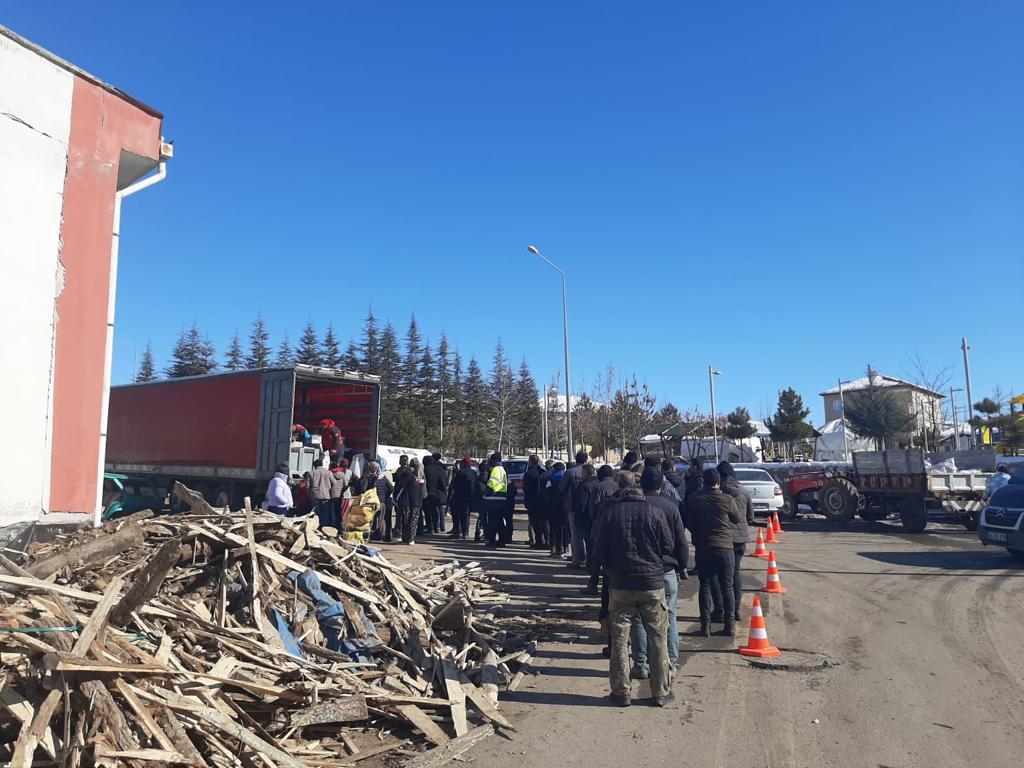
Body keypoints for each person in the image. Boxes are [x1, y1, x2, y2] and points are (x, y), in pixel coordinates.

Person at [591, 471, 675, 708]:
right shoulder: (656, 513)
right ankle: (660, 692)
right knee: (658, 637)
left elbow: (598, 550)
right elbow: (668, 546)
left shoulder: (610, 515)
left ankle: (621, 692)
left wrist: (611, 568)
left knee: (619, 639)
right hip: (651, 584)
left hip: (620, 585)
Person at [630, 468, 689, 678]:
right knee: (670, 618)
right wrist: (682, 566)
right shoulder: (671, 506)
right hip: (666, 570)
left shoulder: (634, 506)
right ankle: (670, 664)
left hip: (640, 570)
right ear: (662, 485)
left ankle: (641, 664)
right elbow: (681, 541)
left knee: (639, 619)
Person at [686, 468, 741, 637]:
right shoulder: (726, 499)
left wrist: (698, 531)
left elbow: (688, 521)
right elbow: (736, 518)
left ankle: (705, 626)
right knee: (727, 586)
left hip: (703, 547)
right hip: (724, 546)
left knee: (706, 585)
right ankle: (729, 625)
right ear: (718, 482)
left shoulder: (694, 498)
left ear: (704, 481)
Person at [718, 461, 754, 622]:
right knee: (735, 573)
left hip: (722, 539)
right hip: (740, 539)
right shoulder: (744, 492)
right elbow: (751, 517)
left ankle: (723, 610)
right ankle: (737, 609)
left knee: (721, 577)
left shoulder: (718, 493)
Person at [560, 451, 590, 566]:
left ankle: (577, 559)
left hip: (572, 506)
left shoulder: (570, 472)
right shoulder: (592, 471)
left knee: (575, 534)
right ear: (586, 459)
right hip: (588, 507)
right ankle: (588, 557)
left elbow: (561, 487)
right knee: (587, 534)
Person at [572, 463, 599, 569]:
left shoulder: (584, 485)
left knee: (588, 542)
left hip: (586, 517)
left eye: (582, 472)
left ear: (586, 473)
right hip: (596, 516)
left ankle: (590, 563)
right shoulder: (597, 482)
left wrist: (578, 516)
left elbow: (581, 504)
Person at [364, 461, 394, 542]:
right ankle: (381, 534)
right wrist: (385, 495)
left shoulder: (369, 478)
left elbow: (364, 489)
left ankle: (372, 535)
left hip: (372, 502)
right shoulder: (383, 478)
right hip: (381, 501)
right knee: (381, 519)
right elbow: (391, 488)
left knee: (372, 519)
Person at [523, 455, 549, 549]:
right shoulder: (544, 472)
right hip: (543, 501)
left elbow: (525, 488)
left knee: (535, 522)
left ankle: (539, 541)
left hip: (532, 501)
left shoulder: (528, 473)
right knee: (544, 522)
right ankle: (547, 540)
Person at [483, 453, 509, 547]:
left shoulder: (496, 469)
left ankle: (492, 540)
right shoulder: (502, 470)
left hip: (494, 499)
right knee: (499, 521)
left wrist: (486, 493)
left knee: (493, 522)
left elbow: (492, 484)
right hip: (501, 498)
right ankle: (501, 540)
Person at [449, 458, 476, 539]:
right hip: (470, 496)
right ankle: (466, 532)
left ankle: (459, 531)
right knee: (466, 515)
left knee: (460, 515)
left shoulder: (461, 472)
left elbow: (455, 484)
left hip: (460, 496)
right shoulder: (473, 472)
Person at [392, 456, 417, 544]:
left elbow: (400, 484)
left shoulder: (406, 471)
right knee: (401, 517)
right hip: (402, 496)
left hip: (403, 496)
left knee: (402, 517)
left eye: (402, 460)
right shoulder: (402, 470)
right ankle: (400, 534)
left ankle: (399, 534)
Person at [545, 462, 567, 557]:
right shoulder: (566, 476)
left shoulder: (551, 477)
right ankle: (565, 547)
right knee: (565, 527)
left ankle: (555, 548)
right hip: (565, 505)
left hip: (553, 505)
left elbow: (547, 491)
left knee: (554, 527)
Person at [423, 455, 449, 534]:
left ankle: (430, 527)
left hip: (428, 492)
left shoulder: (425, 470)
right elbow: (444, 482)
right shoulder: (440, 469)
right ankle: (438, 527)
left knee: (428, 512)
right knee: (438, 511)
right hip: (439, 493)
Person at [310, 459, 334, 529]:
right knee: (325, 514)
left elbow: (308, 485)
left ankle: (316, 528)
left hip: (315, 496)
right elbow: (334, 483)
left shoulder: (312, 473)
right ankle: (324, 529)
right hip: (326, 496)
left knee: (316, 514)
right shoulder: (328, 472)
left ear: (315, 466)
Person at [329, 459, 350, 528]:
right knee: (338, 510)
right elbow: (346, 484)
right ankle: (339, 525)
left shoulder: (330, 474)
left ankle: (332, 525)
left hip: (332, 495)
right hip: (339, 495)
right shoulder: (342, 474)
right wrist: (342, 491)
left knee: (332, 511)